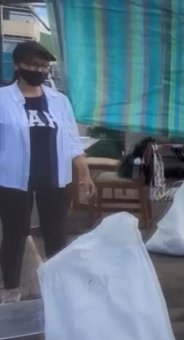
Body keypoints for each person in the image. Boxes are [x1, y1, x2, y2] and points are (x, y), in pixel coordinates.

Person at [0, 41, 95, 304]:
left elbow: (72, 139)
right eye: (32, 65)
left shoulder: (59, 101)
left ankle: (57, 288)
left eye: (43, 66)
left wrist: (84, 173)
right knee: (14, 233)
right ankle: (10, 290)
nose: (38, 70)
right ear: (17, 65)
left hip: (54, 178)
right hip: (12, 179)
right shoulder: (3, 99)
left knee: (56, 233)